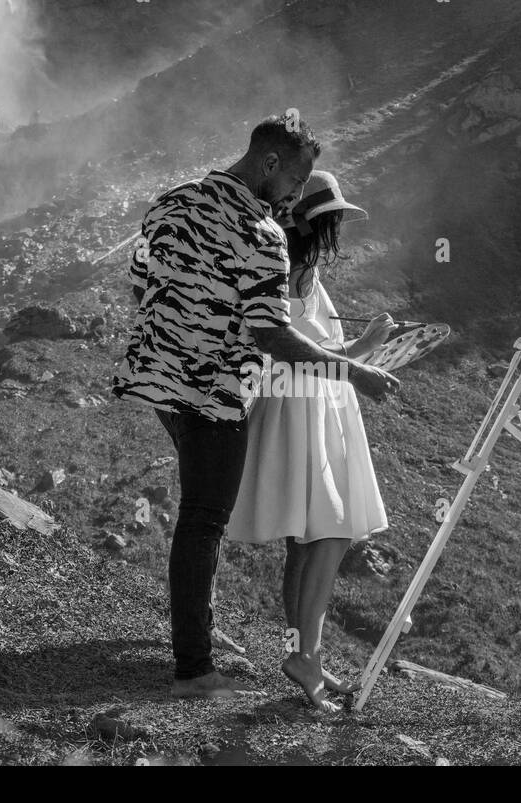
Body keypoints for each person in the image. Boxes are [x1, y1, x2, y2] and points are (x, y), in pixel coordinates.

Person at [112, 115, 401, 700]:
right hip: (216, 392)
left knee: (199, 518)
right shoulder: (261, 234)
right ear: (270, 163)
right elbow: (273, 337)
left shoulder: (171, 202)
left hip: (160, 382)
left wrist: (183, 324)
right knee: (201, 525)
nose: (295, 196)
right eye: (295, 180)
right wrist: (357, 371)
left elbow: (139, 283)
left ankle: (210, 655)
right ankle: (195, 669)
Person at [227, 171, 396, 713]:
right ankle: (307, 656)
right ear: (317, 223)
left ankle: (307, 657)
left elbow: (323, 352)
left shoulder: (304, 273)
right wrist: (357, 362)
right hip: (303, 409)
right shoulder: (289, 272)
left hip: (313, 408)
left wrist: (365, 345)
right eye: (334, 220)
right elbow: (294, 353)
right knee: (331, 531)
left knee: (307, 539)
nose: (339, 231)